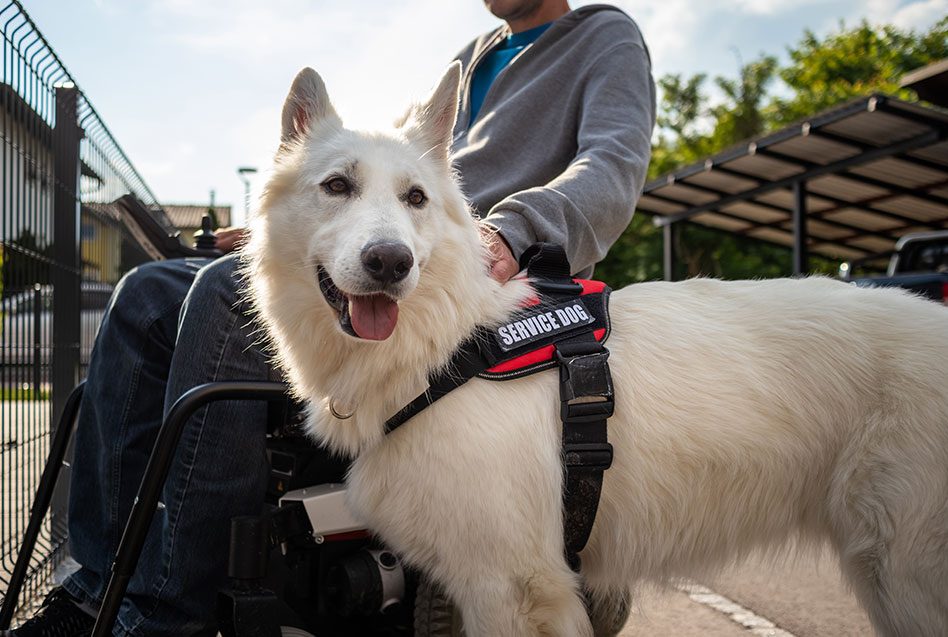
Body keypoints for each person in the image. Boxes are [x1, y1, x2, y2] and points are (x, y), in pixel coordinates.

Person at [2, 1, 655, 634]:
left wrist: (509, 231)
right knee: (147, 293)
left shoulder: (604, 38)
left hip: (476, 271)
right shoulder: (469, 60)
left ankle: (172, 608)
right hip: (389, 237)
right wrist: (291, 223)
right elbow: (372, 177)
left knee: (223, 302)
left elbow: (613, 167)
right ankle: (94, 588)